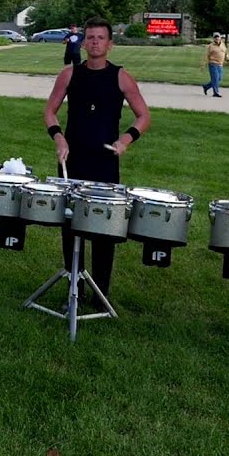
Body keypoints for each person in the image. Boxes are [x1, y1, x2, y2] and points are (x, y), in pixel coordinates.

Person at [43, 16, 151, 303]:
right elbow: (50, 111)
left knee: (104, 227)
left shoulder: (120, 76)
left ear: (110, 44)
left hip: (104, 161)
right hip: (73, 158)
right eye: (90, 37)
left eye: (100, 38)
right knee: (71, 225)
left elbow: (144, 115)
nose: (94, 42)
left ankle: (100, 290)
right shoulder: (69, 74)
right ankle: (73, 282)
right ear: (84, 41)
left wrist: (125, 140)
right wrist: (59, 137)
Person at [202, 32, 229, 97]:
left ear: (220, 37)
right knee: (215, 79)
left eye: (218, 37)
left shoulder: (223, 45)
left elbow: (226, 53)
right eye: (215, 37)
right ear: (213, 38)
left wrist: (228, 59)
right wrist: (203, 64)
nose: (217, 38)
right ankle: (216, 92)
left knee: (219, 79)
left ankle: (206, 87)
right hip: (213, 64)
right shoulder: (210, 46)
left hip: (220, 65)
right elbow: (206, 56)